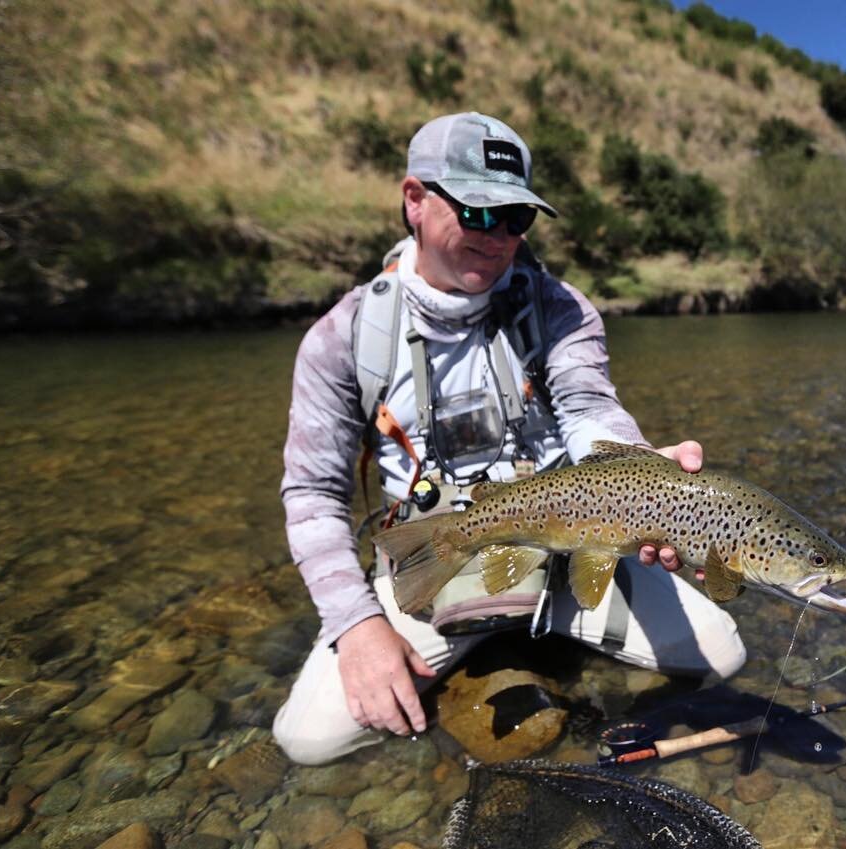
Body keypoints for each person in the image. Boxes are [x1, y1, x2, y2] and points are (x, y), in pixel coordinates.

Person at [273, 112, 746, 765]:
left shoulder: (558, 307)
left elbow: (587, 407)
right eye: (477, 211)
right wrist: (356, 625)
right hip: (437, 562)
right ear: (414, 200)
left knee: (722, 654)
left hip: (571, 550)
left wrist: (639, 471)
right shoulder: (342, 338)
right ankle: (486, 644)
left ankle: (533, 634)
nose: (497, 237)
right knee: (309, 739)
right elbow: (311, 496)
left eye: (515, 218)